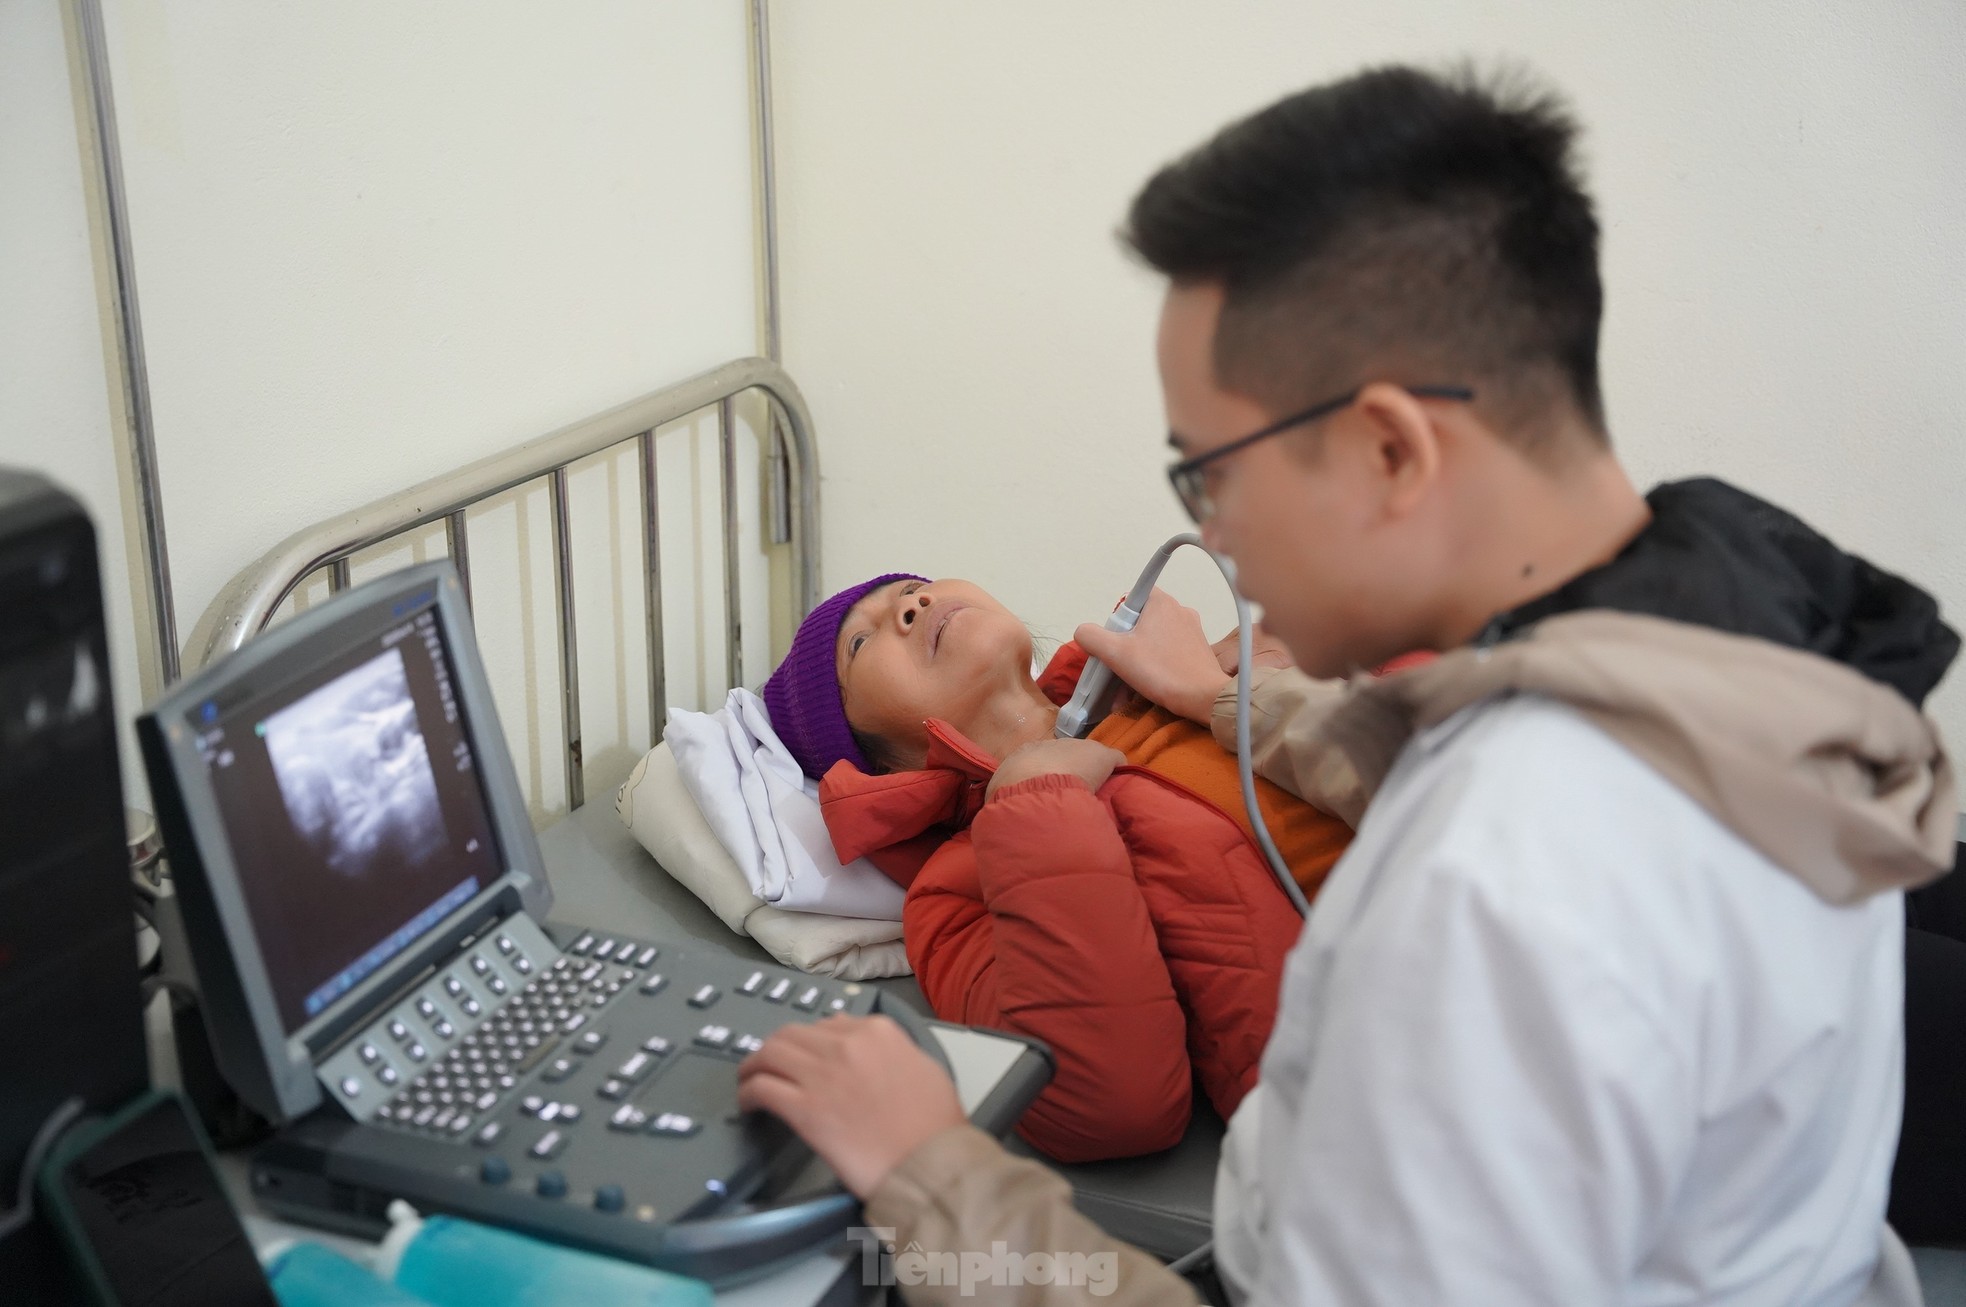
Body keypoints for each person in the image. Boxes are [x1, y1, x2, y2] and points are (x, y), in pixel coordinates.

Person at [738, 64, 1957, 1305]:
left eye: (1208, 474)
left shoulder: (1490, 888)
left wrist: (930, 1172)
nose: (1212, 537)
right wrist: (1213, 709)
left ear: (1389, 448)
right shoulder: (1746, 663)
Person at [757, 571, 1341, 1162]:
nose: (912, 605)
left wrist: (1275, 676)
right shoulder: (958, 891)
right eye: (859, 644)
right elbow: (1107, 1106)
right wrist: (1036, 804)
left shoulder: (1192, 685)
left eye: (912, 588)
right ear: (877, 763)